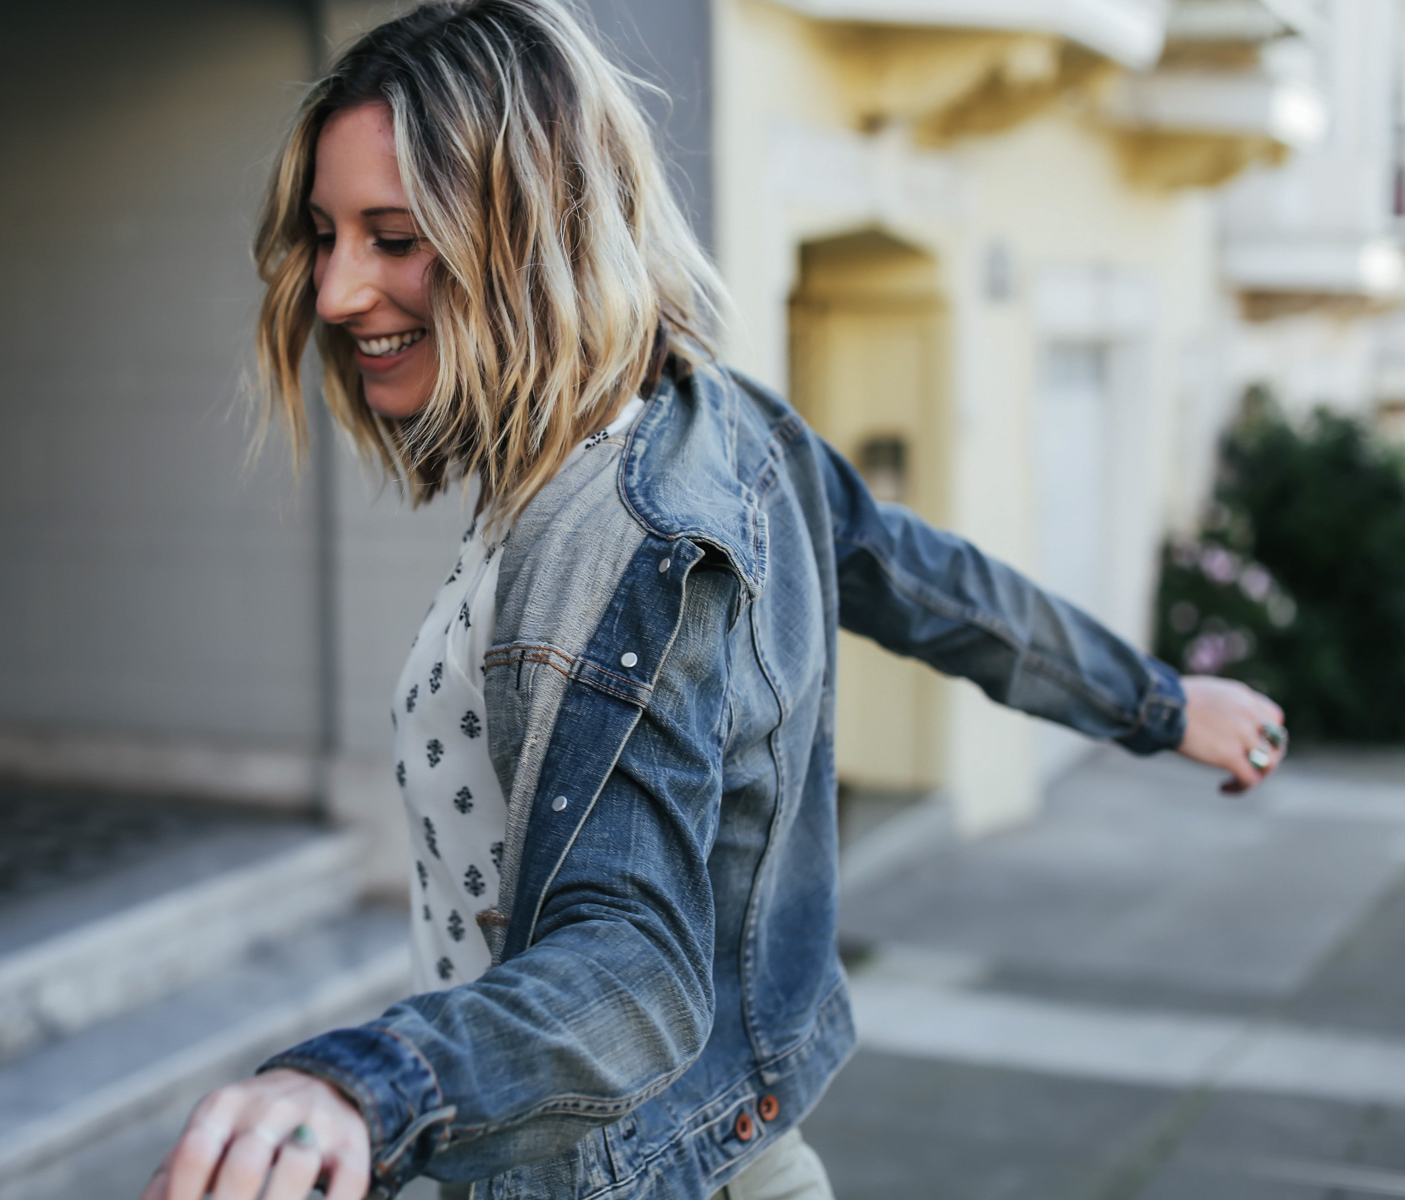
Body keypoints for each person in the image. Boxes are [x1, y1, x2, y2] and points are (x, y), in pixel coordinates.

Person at [143, 3, 1290, 1198]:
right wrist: (1155, 700)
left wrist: (361, 1087)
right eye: (326, 237)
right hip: (715, 1150)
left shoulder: (627, 541)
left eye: (394, 237)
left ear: (534, 229)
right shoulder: (721, 428)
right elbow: (926, 582)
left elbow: (636, 967)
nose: (334, 292)